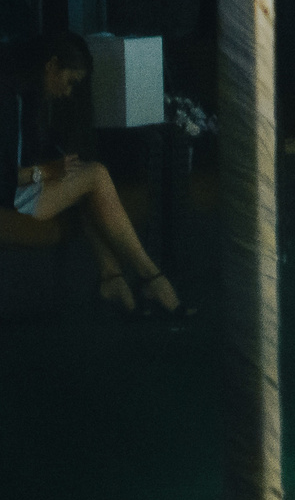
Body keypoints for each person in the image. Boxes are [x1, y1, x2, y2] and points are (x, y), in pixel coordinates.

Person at [9, 34, 192, 318]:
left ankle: (113, 278)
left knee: (89, 179)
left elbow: (32, 151)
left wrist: (58, 163)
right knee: (96, 175)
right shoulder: (8, 99)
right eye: (69, 81)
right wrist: (47, 171)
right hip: (10, 195)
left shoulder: (31, 98)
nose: (68, 92)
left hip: (23, 185)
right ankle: (151, 278)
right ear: (52, 65)